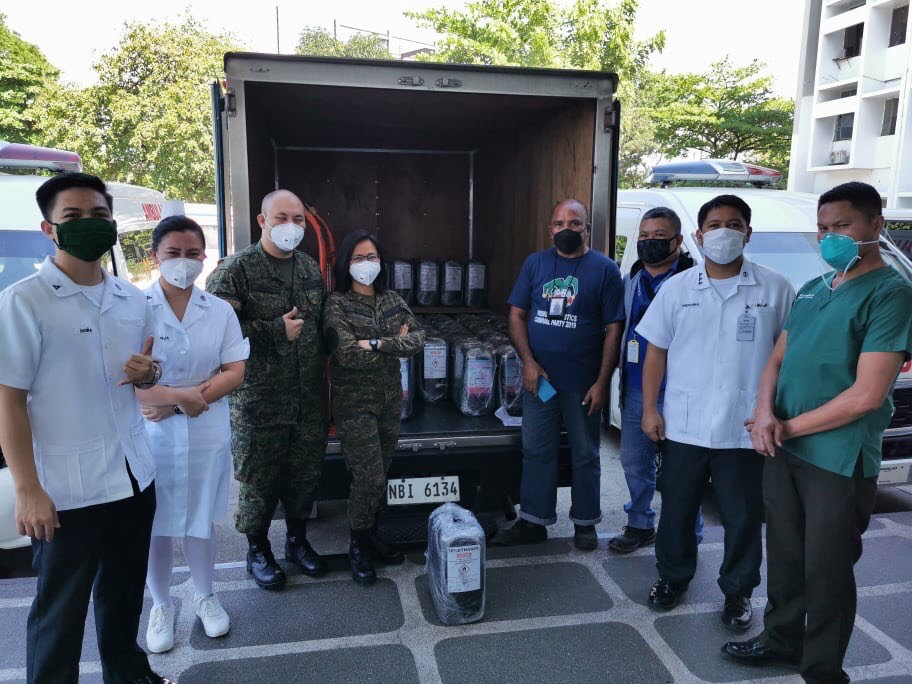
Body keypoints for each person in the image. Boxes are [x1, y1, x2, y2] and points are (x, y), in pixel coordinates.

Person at [723, 182, 912, 683]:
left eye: (842, 227)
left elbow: (866, 395)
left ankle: (823, 669)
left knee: (825, 571)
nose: (830, 238)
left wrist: (784, 425)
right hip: (783, 449)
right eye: (823, 229)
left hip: (837, 458)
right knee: (784, 557)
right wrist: (765, 412)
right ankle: (782, 641)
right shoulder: (813, 288)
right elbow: (776, 359)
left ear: (875, 226)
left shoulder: (891, 294)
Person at [0, 172, 171, 683]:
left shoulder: (131, 298)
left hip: (133, 477)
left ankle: (129, 674)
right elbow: (8, 402)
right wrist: (27, 490)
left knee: (123, 596)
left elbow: (149, 369)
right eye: (72, 218)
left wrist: (152, 374)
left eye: (98, 216)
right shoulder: (24, 301)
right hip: (64, 491)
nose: (88, 226)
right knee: (60, 611)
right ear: (49, 230)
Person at [637, 194, 794, 630]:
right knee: (677, 511)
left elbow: (788, 358)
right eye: (715, 224)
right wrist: (649, 409)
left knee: (743, 517)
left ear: (748, 232)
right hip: (684, 426)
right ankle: (672, 579)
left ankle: (738, 593)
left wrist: (774, 412)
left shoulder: (777, 289)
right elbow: (655, 352)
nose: (724, 231)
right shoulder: (677, 288)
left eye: (734, 223)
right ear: (699, 235)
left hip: (745, 428)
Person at [135, 216, 249, 653]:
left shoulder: (218, 311)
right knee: (156, 524)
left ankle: (206, 596)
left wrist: (182, 399)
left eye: (192, 253)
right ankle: (161, 604)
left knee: (201, 518)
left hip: (205, 428)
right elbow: (124, 378)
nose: (183, 262)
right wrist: (178, 398)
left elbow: (234, 369)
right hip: (152, 434)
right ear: (154, 257)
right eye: (173, 253)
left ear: (205, 257)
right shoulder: (135, 308)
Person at [206, 189, 328, 590]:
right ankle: (257, 550)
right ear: (261, 221)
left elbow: (323, 324)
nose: (291, 227)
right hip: (259, 402)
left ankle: (297, 542)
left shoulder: (310, 268)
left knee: (303, 477)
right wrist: (274, 331)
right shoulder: (234, 271)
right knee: (259, 481)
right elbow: (215, 338)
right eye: (281, 218)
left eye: (298, 219)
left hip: (307, 398)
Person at [495, 198, 624, 550]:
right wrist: (529, 363)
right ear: (550, 229)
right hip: (543, 383)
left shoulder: (605, 269)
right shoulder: (535, 264)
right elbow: (517, 315)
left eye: (575, 223)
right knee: (537, 450)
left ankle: (585, 522)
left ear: (586, 228)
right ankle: (534, 520)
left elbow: (614, 328)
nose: (567, 230)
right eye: (559, 224)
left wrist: (602, 381)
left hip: (583, 385)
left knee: (584, 452)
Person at [323, 230, 425, 584]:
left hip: (389, 400)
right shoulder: (336, 303)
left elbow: (418, 339)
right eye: (358, 258)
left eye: (371, 258)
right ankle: (358, 545)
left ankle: (374, 534)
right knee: (368, 476)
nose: (366, 265)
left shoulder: (393, 299)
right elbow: (347, 354)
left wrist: (376, 343)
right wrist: (392, 343)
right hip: (355, 404)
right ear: (345, 263)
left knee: (383, 471)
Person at [608, 207, 702, 554]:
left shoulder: (696, 278)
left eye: (659, 238)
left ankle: (688, 532)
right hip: (635, 387)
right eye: (644, 237)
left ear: (678, 240)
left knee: (682, 471)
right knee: (635, 461)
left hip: (682, 390)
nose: (650, 244)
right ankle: (640, 523)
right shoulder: (633, 278)